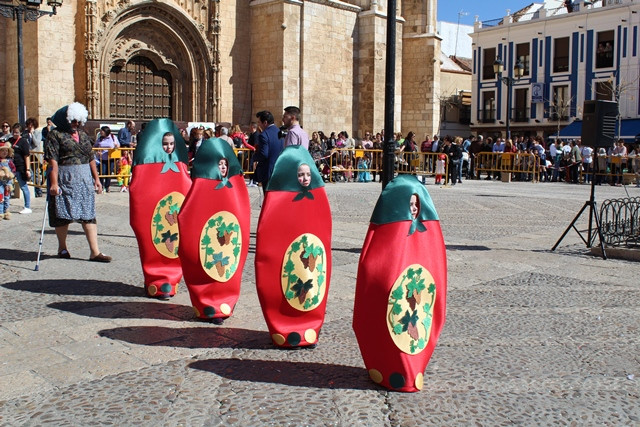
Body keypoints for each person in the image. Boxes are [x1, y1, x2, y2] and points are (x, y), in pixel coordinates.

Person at [44, 102, 111, 262]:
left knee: (88, 215)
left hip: (84, 179)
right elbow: (52, 161)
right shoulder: (55, 135)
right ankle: (62, 248)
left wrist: (96, 179)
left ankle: (95, 252)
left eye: (78, 120)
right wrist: (54, 183)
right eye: (73, 120)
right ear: (65, 119)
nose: (76, 124)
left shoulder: (83, 134)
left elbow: (90, 158)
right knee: (62, 215)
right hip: (64, 177)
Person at [253, 110, 283, 189]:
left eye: (259, 122)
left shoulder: (263, 135)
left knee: (268, 197)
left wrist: (255, 157)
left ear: (265, 122)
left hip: (267, 171)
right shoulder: (281, 133)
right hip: (280, 170)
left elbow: (264, 154)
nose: (258, 125)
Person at [9, 124, 32, 214]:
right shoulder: (10, 140)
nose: (15, 134)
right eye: (13, 132)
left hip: (20, 167)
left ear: (21, 132)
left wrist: (27, 169)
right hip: (11, 167)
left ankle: (27, 206)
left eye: (17, 132)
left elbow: (27, 156)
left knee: (23, 186)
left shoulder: (23, 142)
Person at [94, 126, 119, 192]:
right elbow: (95, 146)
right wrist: (97, 151)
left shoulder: (113, 137)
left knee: (109, 172)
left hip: (111, 158)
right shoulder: (100, 138)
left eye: (102, 131)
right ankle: (101, 186)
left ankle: (107, 186)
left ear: (106, 131)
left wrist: (116, 146)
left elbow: (118, 146)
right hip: (102, 158)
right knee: (102, 172)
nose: (101, 132)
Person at [0, 143, 16, 220]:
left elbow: (13, 170)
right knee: (0, 197)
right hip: (0, 182)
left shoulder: (9, 161)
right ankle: (0, 212)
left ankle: (6, 211)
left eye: (6, 151)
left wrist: (10, 174)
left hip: (8, 182)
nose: (4, 152)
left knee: (7, 197)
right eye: (2, 150)